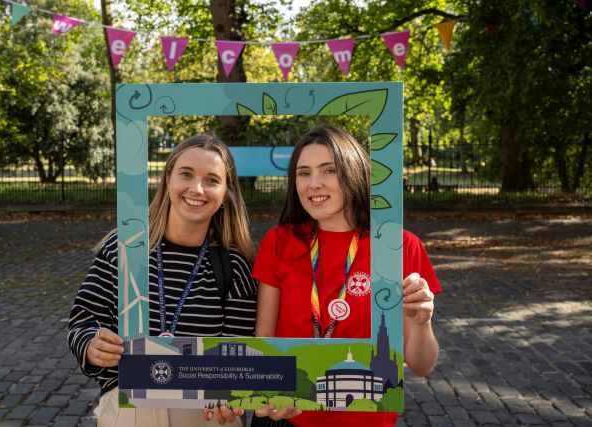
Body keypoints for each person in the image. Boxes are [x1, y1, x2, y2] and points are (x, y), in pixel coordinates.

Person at [249, 125, 442, 427]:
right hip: (288, 420)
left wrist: (422, 323)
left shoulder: (399, 246)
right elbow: (265, 347)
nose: (314, 184)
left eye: (329, 170)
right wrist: (269, 395)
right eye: (303, 173)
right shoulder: (279, 242)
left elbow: (422, 366)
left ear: (354, 173)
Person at [68, 134, 256, 427]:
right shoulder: (125, 248)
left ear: (225, 194)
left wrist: (230, 397)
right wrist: (91, 345)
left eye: (211, 180)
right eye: (186, 174)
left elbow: (238, 349)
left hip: (204, 413)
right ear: (168, 179)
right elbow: (84, 319)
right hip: (132, 409)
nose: (197, 188)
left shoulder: (234, 264)